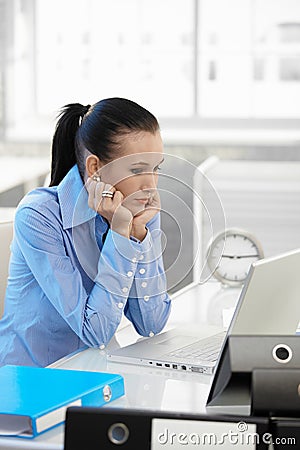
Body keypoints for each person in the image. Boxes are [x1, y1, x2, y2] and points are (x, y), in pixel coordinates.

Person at [0, 97, 172, 367]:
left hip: (94, 372)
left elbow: (151, 324)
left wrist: (138, 235)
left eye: (156, 168)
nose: (150, 185)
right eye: (138, 169)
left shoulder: (138, 209)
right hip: (36, 381)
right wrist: (120, 235)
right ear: (95, 168)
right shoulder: (38, 216)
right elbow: (96, 332)